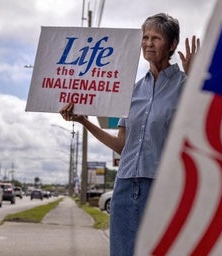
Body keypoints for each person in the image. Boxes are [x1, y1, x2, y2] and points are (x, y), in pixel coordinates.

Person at [60, 13, 199, 256]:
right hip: (124, 186)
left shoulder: (185, 85)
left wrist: (197, 79)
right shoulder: (131, 90)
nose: (148, 43)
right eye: (145, 37)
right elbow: (122, 145)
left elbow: (201, 127)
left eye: (156, 38)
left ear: (172, 44)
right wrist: (84, 121)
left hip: (162, 187)